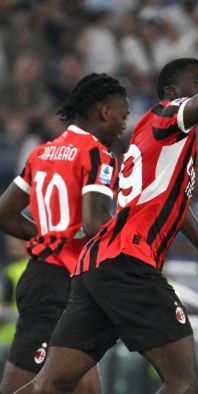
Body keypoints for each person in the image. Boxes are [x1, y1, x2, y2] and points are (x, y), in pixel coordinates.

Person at [18, 31, 198, 394]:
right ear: (172, 91)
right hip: (128, 264)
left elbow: (175, 209)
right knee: (187, 385)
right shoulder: (171, 116)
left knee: (49, 385)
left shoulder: (153, 137)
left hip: (97, 267)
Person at [0, 72, 129, 393]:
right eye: (122, 115)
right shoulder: (98, 155)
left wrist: (46, 237)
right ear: (103, 111)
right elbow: (94, 223)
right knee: (23, 385)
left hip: (52, 280)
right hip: (60, 283)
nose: (124, 124)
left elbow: (4, 213)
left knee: (82, 385)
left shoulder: (41, 153)